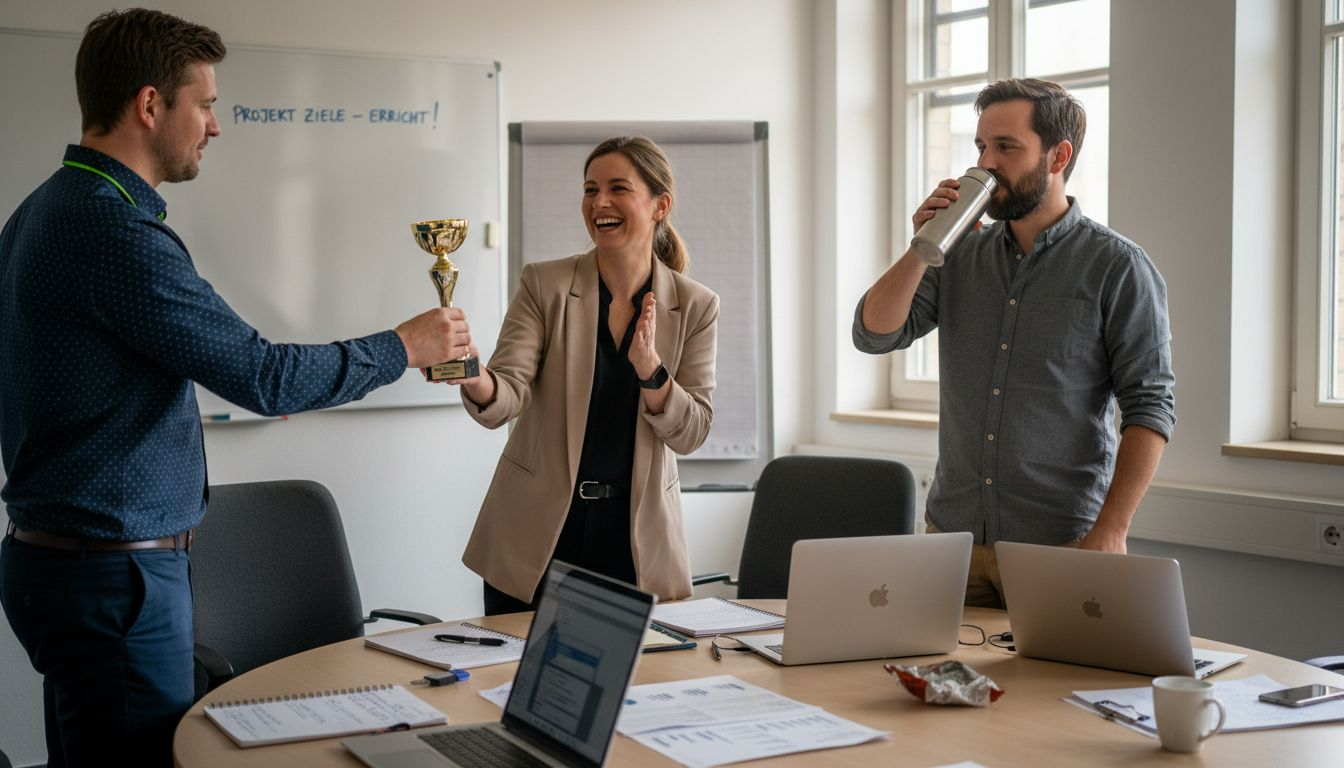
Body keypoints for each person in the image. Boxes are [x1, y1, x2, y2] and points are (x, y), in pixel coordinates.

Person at [0, 10, 471, 766]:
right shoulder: (115, 233)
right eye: (206, 103)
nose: (215, 125)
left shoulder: (40, 212)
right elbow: (263, 376)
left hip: (66, 563)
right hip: (113, 576)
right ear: (151, 106)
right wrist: (404, 347)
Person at [852, 78, 1175, 608]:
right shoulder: (957, 253)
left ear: (1058, 156)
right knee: (938, 688)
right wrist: (922, 245)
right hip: (952, 538)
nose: (986, 163)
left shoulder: (1117, 267)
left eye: (1006, 147)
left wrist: (1112, 530)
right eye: (981, 146)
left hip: (1059, 541)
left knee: (1050, 690)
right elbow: (874, 334)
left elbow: (1151, 407)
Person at [456, 136, 718, 615]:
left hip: (635, 541)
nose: (599, 203)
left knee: (635, 686)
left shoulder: (696, 305)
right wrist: (473, 376)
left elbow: (693, 431)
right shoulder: (545, 284)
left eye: (618, 188)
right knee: (512, 683)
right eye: (589, 189)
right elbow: (508, 391)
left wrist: (652, 372)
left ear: (661, 205)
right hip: (538, 536)